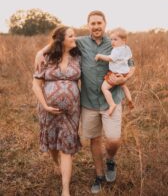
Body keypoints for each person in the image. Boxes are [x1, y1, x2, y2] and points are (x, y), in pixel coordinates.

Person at [35, 11, 135, 194]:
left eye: (99, 23)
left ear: (105, 24)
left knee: (113, 140)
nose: (96, 26)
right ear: (88, 25)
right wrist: (41, 52)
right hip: (88, 102)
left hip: (111, 100)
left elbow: (131, 63)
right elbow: (60, 40)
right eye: (92, 23)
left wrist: (126, 78)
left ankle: (110, 159)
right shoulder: (80, 42)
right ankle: (99, 175)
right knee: (94, 140)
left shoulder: (114, 41)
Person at [32, 26, 81, 196]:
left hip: (71, 112)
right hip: (48, 109)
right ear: (62, 40)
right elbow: (36, 85)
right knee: (53, 142)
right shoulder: (46, 57)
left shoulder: (78, 55)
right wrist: (45, 105)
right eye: (71, 36)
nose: (75, 38)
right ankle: (55, 163)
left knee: (66, 147)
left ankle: (65, 189)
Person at [95, 27, 134, 116]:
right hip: (124, 73)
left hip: (115, 74)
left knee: (104, 88)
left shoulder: (116, 50)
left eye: (115, 39)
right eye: (111, 39)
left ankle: (112, 104)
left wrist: (99, 56)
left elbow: (110, 58)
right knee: (124, 86)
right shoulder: (126, 48)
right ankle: (130, 99)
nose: (112, 42)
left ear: (124, 40)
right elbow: (129, 58)